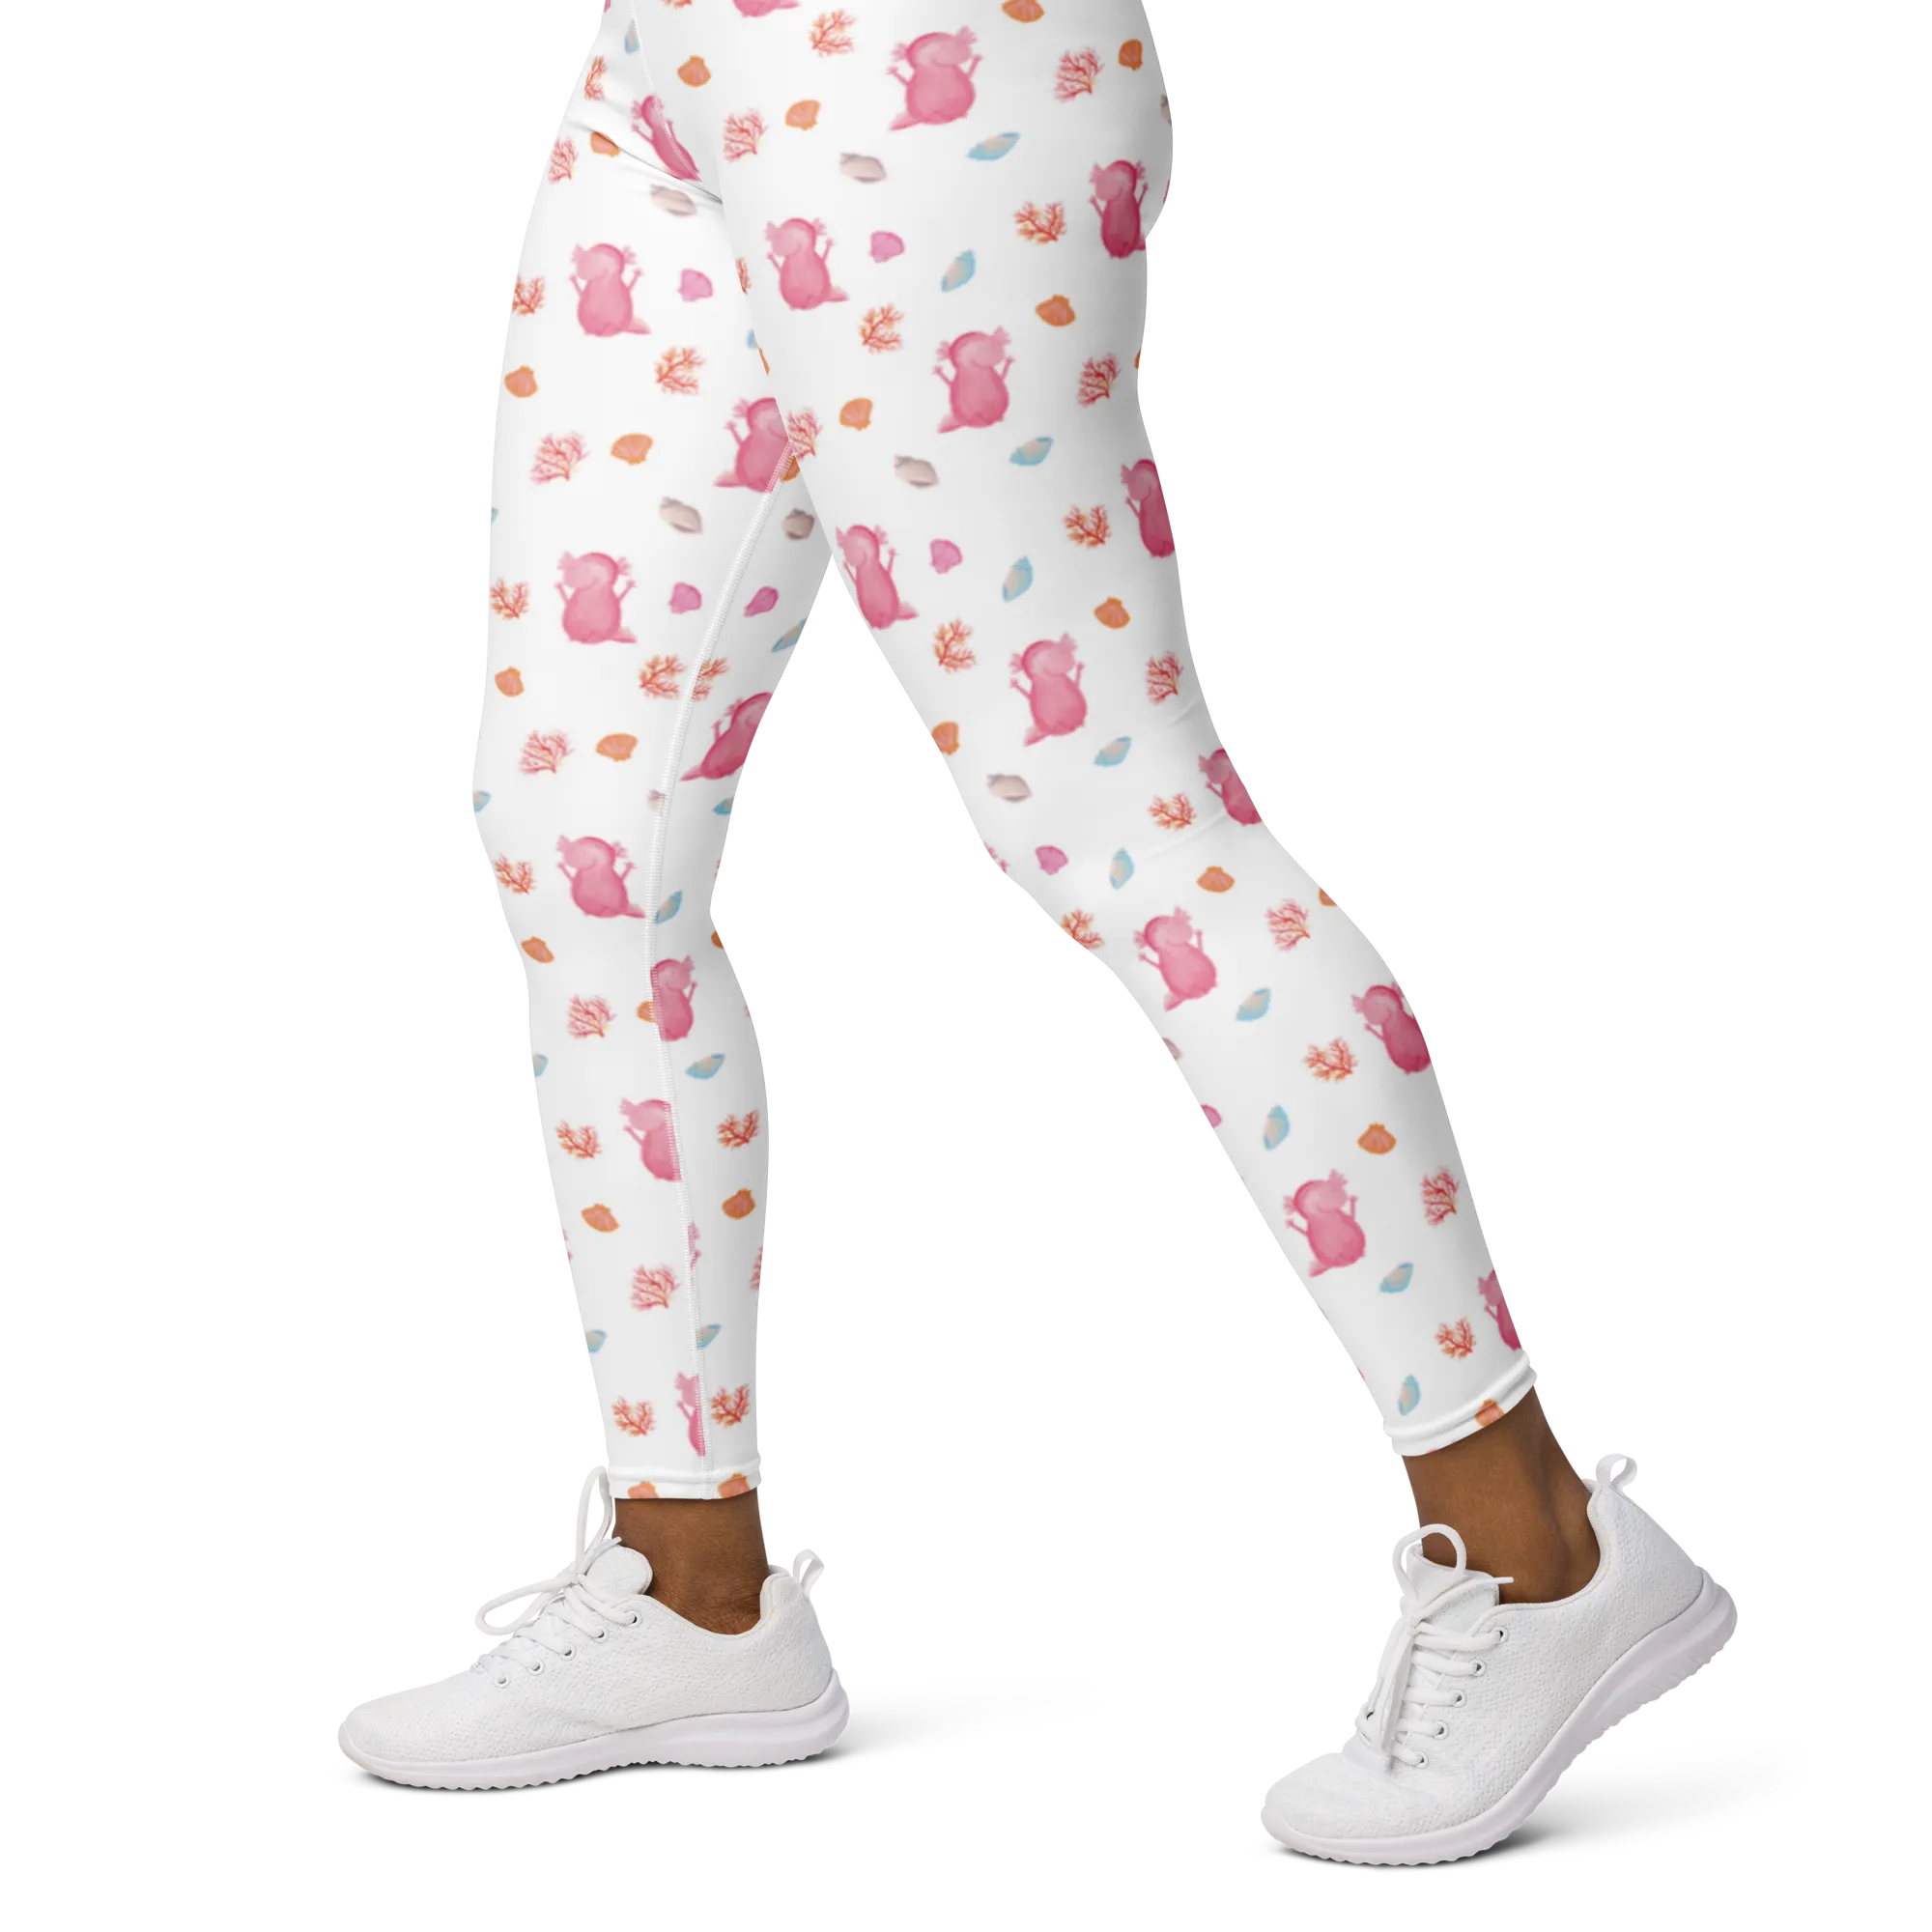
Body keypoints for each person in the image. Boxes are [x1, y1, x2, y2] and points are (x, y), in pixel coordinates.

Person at [334, 1, 1736, 1836]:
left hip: (932, 59)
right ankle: (693, 1592)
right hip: (663, 72)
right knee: (580, 843)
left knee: (1116, 816)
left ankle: (1549, 1556)